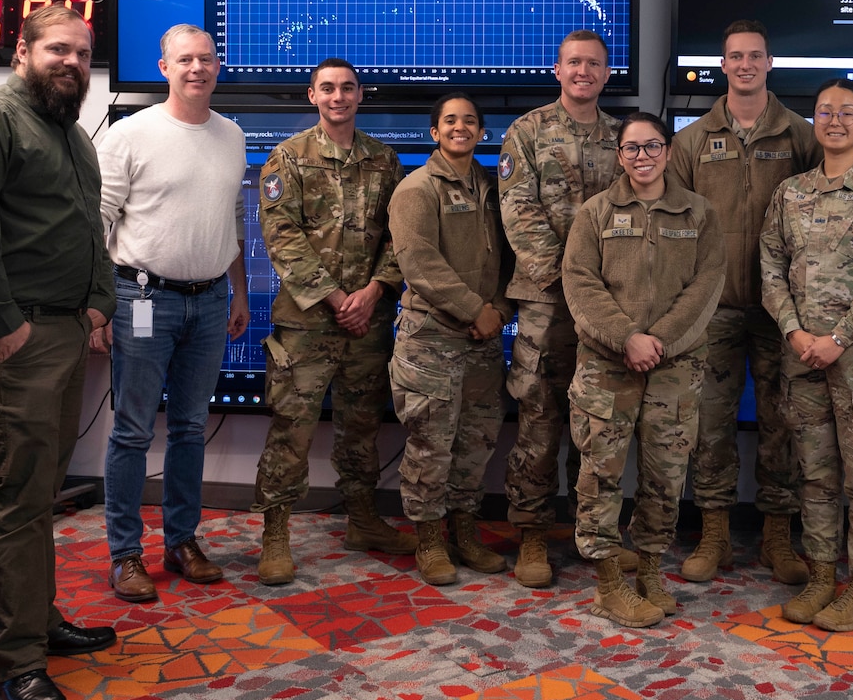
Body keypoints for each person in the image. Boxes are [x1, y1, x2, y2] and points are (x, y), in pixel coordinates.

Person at [0, 4, 117, 700]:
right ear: (22, 51)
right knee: (13, 501)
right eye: (57, 50)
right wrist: (4, 324)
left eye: (80, 53)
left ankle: (37, 622)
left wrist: (98, 301)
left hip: (66, 331)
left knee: (40, 494)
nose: (70, 63)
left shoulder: (68, 132)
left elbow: (89, 226)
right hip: (14, 338)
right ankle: (14, 661)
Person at [92, 24, 249, 602]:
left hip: (209, 302)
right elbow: (97, 225)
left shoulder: (231, 135)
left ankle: (182, 541)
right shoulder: (130, 135)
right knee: (132, 431)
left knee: (188, 428)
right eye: (184, 60)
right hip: (140, 300)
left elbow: (229, 218)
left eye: (206, 59)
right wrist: (98, 308)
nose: (197, 69)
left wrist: (239, 290)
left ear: (217, 66)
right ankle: (125, 554)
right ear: (164, 67)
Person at [759, 78, 853, 632]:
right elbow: (771, 267)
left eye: (848, 112)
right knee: (816, 473)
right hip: (801, 357)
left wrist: (838, 338)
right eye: (825, 111)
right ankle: (823, 574)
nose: (835, 121)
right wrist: (795, 332)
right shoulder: (790, 193)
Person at [668, 19, 820, 586]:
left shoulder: (801, 136)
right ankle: (714, 536)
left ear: (769, 62)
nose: (746, 65)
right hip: (714, 311)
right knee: (710, 423)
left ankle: (778, 537)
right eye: (736, 56)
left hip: (785, 315)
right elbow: (675, 224)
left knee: (783, 422)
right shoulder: (690, 141)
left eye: (756, 55)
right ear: (723, 65)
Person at [252, 58, 414, 585]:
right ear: (312, 95)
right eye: (328, 88)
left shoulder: (384, 160)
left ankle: (362, 518)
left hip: (367, 320)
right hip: (306, 324)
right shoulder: (289, 158)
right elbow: (282, 236)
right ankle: (275, 533)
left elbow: (399, 236)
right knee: (291, 428)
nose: (339, 96)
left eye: (347, 88)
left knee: (362, 425)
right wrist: (335, 297)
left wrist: (372, 292)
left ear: (360, 95)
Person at [563, 112, 725, 628]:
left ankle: (650, 573)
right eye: (631, 149)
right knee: (600, 473)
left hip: (676, 364)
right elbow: (580, 284)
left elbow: (706, 286)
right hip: (607, 363)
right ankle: (609, 585)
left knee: (665, 475)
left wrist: (660, 339)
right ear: (619, 156)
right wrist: (626, 337)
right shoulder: (595, 212)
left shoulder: (698, 213)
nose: (642, 157)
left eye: (651, 147)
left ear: (669, 151)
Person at [498, 29, 630, 588]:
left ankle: (591, 531)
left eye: (593, 64)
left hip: (607, 306)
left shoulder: (627, 137)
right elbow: (519, 213)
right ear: (558, 70)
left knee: (599, 420)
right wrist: (571, 285)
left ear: (606, 74)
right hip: (546, 304)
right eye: (574, 63)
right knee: (539, 416)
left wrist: (603, 295)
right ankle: (532, 532)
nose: (583, 72)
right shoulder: (526, 132)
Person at [387, 94, 515, 586]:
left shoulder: (494, 187)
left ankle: (465, 530)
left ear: (482, 132)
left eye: (470, 121)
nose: (460, 127)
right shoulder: (416, 188)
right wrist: (475, 309)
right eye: (449, 121)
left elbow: (511, 259)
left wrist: (500, 310)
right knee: (430, 443)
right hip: (431, 339)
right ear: (435, 131)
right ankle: (429, 540)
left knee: (477, 440)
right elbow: (418, 264)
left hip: (482, 338)